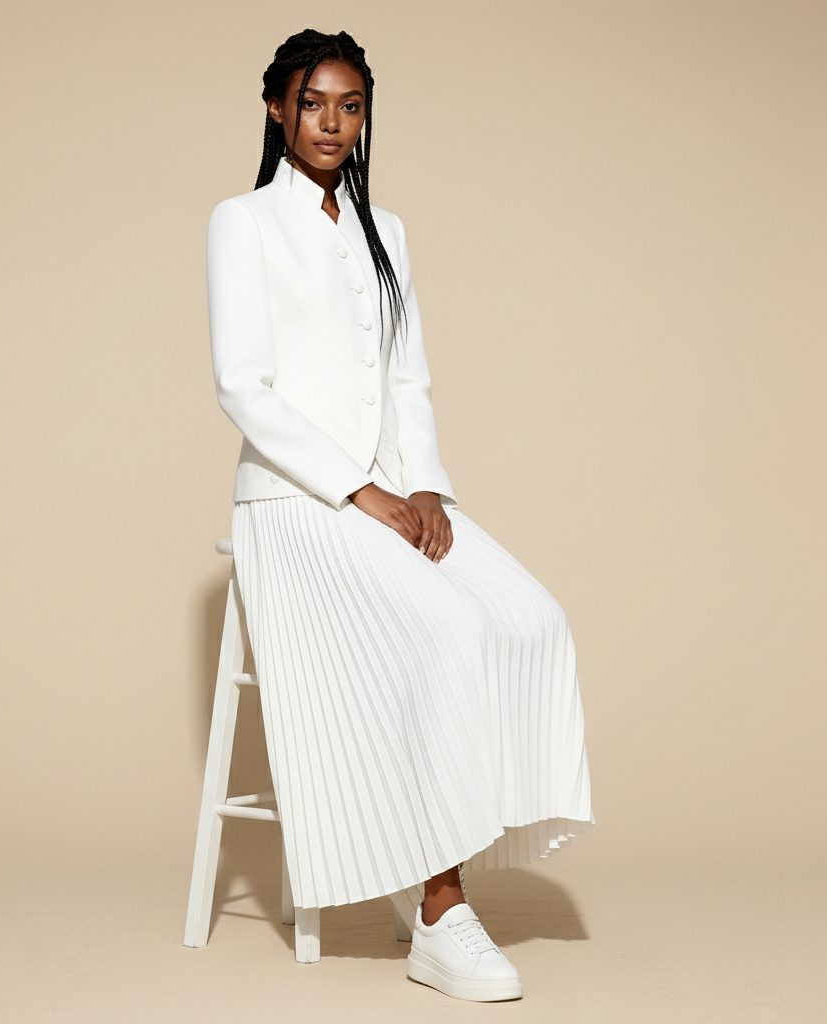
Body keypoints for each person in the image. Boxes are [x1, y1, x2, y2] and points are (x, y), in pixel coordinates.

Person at [206, 28, 594, 1002]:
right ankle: (438, 909)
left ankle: (429, 839)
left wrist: (425, 489)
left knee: (529, 617)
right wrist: (361, 490)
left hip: (392, 493)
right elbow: (244, 388)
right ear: (277, 111)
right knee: (453, 631)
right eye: (313, 104)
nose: (332, 122)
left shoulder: (391, 233)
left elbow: (409, 378)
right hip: (294, 506)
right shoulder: (240, 222)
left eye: (349, 105)